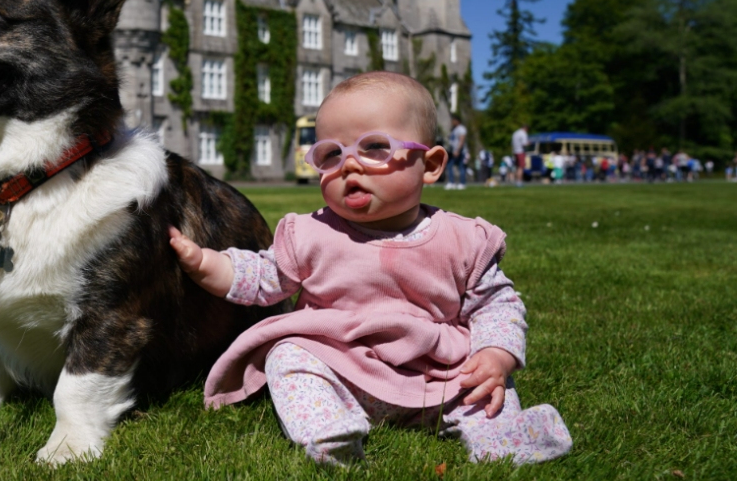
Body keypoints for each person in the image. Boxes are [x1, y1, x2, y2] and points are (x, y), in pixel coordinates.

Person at [167, 72, 571, 466]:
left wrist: (496, 354)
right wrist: (207, 262)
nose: (349, 166)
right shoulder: (311, 233)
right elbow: (264, 276)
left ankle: (505, 440)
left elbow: (496, 304)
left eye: (374, 147)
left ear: (429, 164)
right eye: (330, 154)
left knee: (485, 387)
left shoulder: (463, 241)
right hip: (342, 368)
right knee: (288, 354)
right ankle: (327, 429)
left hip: (438, 376)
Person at [445, 114, 468, 190]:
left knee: (461, 167)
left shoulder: (461, 129)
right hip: (453, 151)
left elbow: (462, 140)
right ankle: (452, 182)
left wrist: (458, 150)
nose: (452, 122)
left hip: (459, 152)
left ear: (457, 121)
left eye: (453, 120)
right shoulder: (455, 129)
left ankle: (462, 183)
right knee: (450, 166)